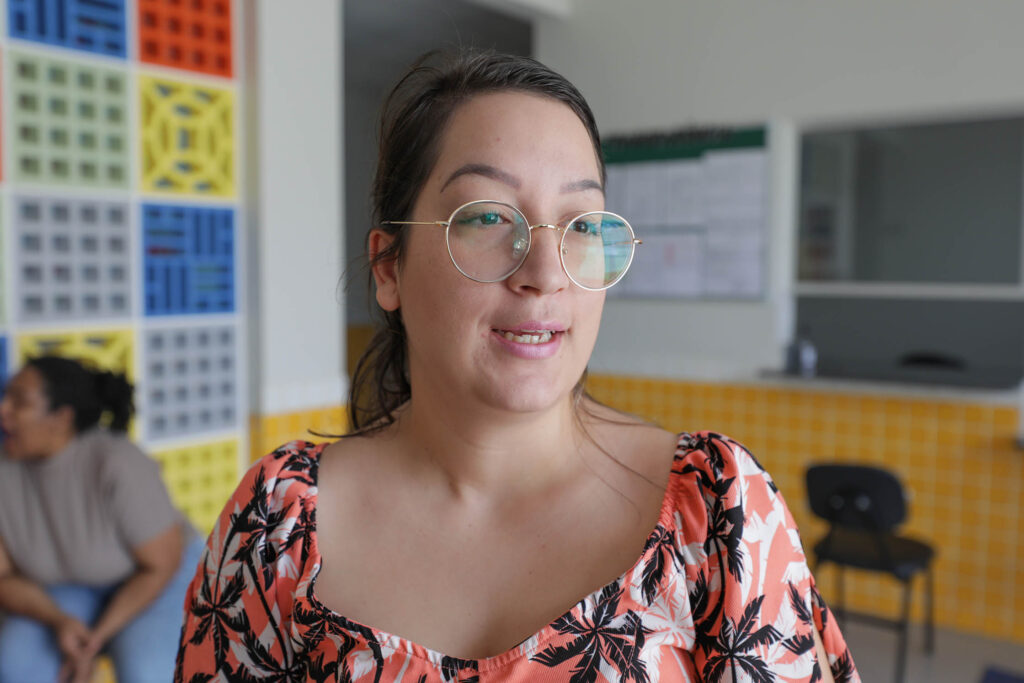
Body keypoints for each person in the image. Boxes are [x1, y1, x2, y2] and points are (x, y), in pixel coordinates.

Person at [176, 49, 860, 682]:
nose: (545, 272)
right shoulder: (277, 524)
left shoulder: (717, 510)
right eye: (487, 217)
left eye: (582, 224)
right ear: (388, 266)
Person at [0, 356, 202, 683]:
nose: (3, 409)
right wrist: (59, 621)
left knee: (145, 672)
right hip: (72, 584)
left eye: (19, 402)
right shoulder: (5, 471)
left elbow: (162, 564)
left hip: (159, 575)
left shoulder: (117, 462)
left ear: (61, 418)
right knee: (16, 663)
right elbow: (3, 577)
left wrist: (93, 641)